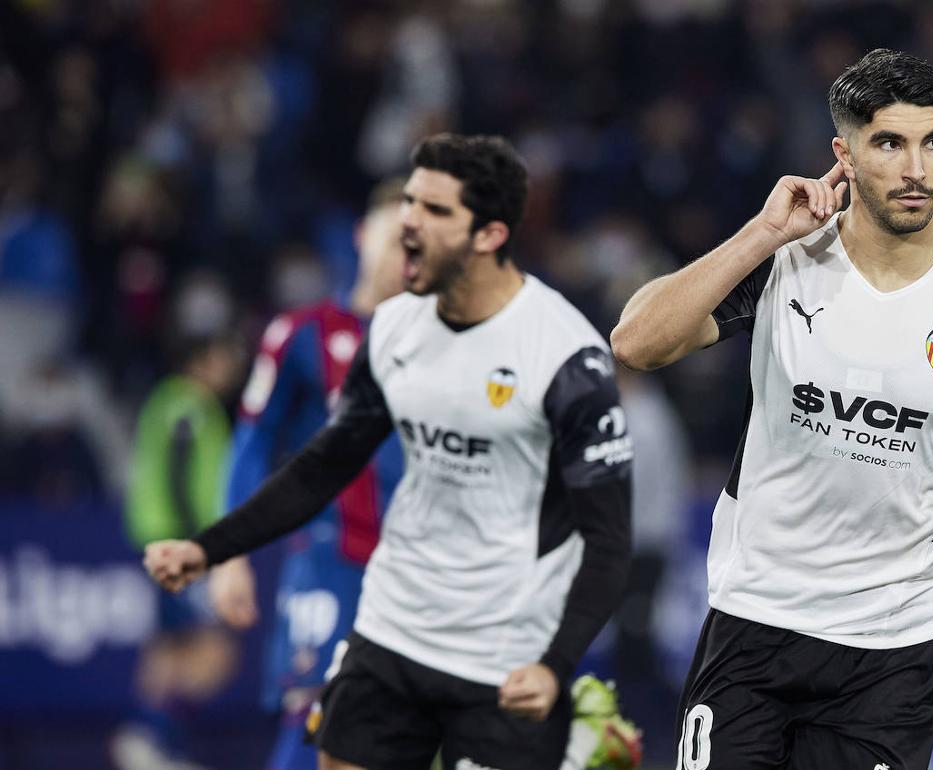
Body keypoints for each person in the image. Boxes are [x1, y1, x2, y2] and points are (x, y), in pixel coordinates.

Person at [611, 48, 933, 770]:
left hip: (891, 646)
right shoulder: (785, 262)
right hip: (756, 617)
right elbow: (635, 342)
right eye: (889, 142)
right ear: (843, 154)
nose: (917, 168)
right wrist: (763, 234)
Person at [143, 133, 635, 770]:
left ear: (488, 235)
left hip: (503, 645)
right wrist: (213, 547)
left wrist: (555, 663)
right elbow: (324, 463)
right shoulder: (397, 329)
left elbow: (608, 539)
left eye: (434, 211)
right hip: (391, 624)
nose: (407, 223)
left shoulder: (566, 356)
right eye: (408, 203)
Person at [206, 178, 409, 770]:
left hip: (420, 571)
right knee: (314, 725)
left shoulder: (446, 342)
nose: (404, 253)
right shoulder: (301, 335)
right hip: (331, 561)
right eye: (395, 235)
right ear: (362, 235)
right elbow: (251, 441)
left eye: (418, 243)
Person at [115, 329, 245, 770]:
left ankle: (153, 746)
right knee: (215, 654)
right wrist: (197, 547)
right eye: (226, 357)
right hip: (179, 543)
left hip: (162, 539)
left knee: (169, 650)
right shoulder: (189, 403)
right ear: (204, 358)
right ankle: (150, 734)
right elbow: (178, 470)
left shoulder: (168, 399)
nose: (232, 369)